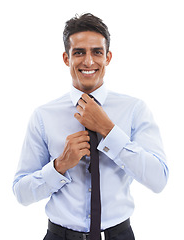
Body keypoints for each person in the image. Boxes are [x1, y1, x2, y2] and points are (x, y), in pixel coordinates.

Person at [13, 13, 169, 240]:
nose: (88, 61)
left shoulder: (135, 109)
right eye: (79, 52)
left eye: (97, 52)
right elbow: (21, 193)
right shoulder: (43, 116)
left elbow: (159, 180)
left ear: (108, 57)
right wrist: (60, 166)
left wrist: (108, 130)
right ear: (66, 58)